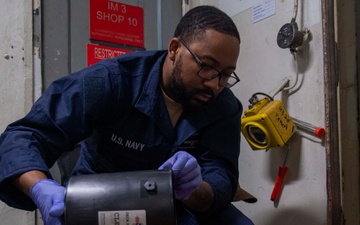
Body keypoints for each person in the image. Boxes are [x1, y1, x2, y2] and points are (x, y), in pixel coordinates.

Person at [0, 5, 255, 225]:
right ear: (175, 49)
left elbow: (221, 172)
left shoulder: (224, 106)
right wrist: (40, 188)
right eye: (207, 67)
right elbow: (25, 136)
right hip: (104, 194)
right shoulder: (111, 81)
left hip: (177, 201)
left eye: (226, 74)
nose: (214, 84)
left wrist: (195, 189)